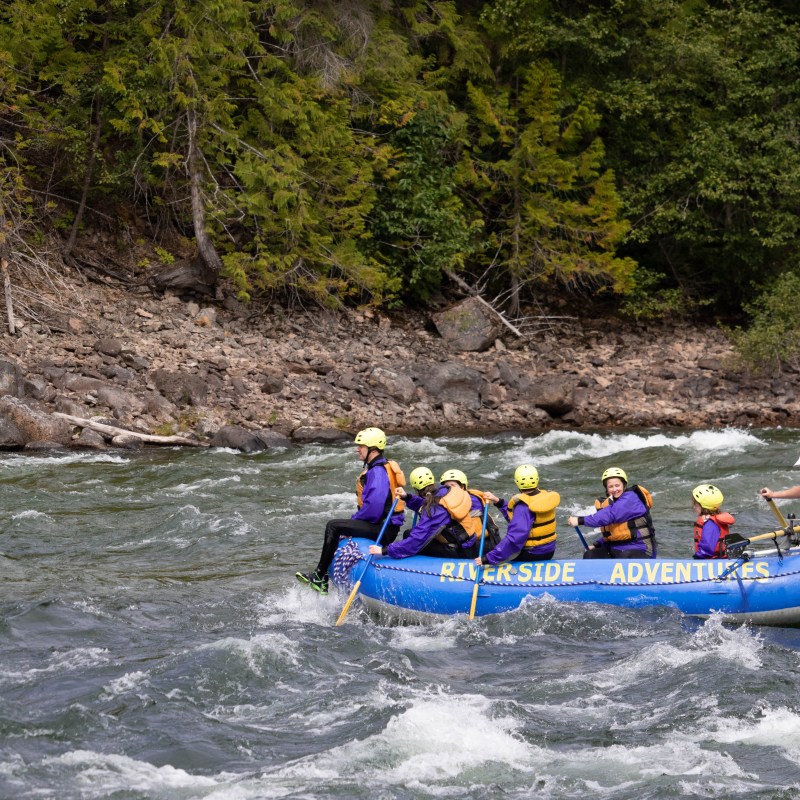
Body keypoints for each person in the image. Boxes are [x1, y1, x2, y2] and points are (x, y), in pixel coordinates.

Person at [296, 426, 405, 594]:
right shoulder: (377, 468)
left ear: (373, 450)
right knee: (340, 526)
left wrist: (353, 523)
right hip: (383, 525)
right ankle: (321, 578)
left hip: (383, 529)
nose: (357, 449)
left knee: (333, 526)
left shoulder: (378, 472)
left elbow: (373, 510)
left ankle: (319, 577)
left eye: (361, 446)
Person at [370, 468, 497, 560]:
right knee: (410, 534)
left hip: (469, 549)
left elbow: (419, 537)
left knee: (410, 537)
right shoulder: (448, 494)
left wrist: (385, 550)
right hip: (487, 542)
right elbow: (430, 506)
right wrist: (407, 497)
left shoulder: (437, 506)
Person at [475, 464, 560, 566]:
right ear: (537, 480)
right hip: (549, 550)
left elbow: (515, 538)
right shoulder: (543, 498)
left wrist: (488, 558)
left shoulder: (523, 506)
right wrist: (498, 501)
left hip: (531, 553)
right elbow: (518, 518)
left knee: (496, 556)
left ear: (517, 482)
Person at [567, 467, 656, 559]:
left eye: (617, 485)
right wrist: (597, 544)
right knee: (590, 555)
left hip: (641, 550)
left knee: (624, 556)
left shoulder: (631, 499)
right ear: (606, 488)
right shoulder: (611, 503)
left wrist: (580, 520)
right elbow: (614, 532)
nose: (614, 489)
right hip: (616, 549)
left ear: (624, 485)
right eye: (610, 486)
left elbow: (609, 515)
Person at [692, 484, 734, 559]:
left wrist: (697, 557)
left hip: (712, 560)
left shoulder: (710, 523)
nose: (694, 507)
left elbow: (708, 548)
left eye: (695, 504)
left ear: (702, 506)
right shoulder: (711, 520)